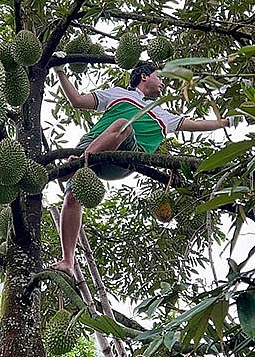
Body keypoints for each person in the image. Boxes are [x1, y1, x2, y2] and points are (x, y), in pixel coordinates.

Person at [49, 59, 235, 277]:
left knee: (122, 125)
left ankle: (77, 164)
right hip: (91, 143)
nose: (162, 83)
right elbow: (77, 101)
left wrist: (223, 123)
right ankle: (68, 260)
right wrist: (60, 70)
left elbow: (195, 125)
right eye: (160, 77)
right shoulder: (118, 94)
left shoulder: (163, 114)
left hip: (125, 157)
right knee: (72, 198)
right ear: (145, 76)